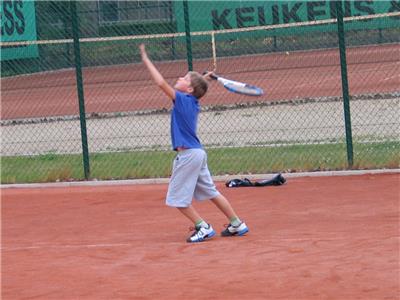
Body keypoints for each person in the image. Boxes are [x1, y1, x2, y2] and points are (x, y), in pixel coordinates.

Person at [139, 44, 248, 243]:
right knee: (211, 192)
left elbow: (160, 83)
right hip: (198, 154)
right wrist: (204, 79)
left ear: (189, 89)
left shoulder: (181, 99)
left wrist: (146, 60)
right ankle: (237, 223)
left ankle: (202, 226)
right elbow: (197, 89)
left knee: (177, 199)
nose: (179, 79)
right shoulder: (193, 101)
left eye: (184, 78)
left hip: (188, 155)